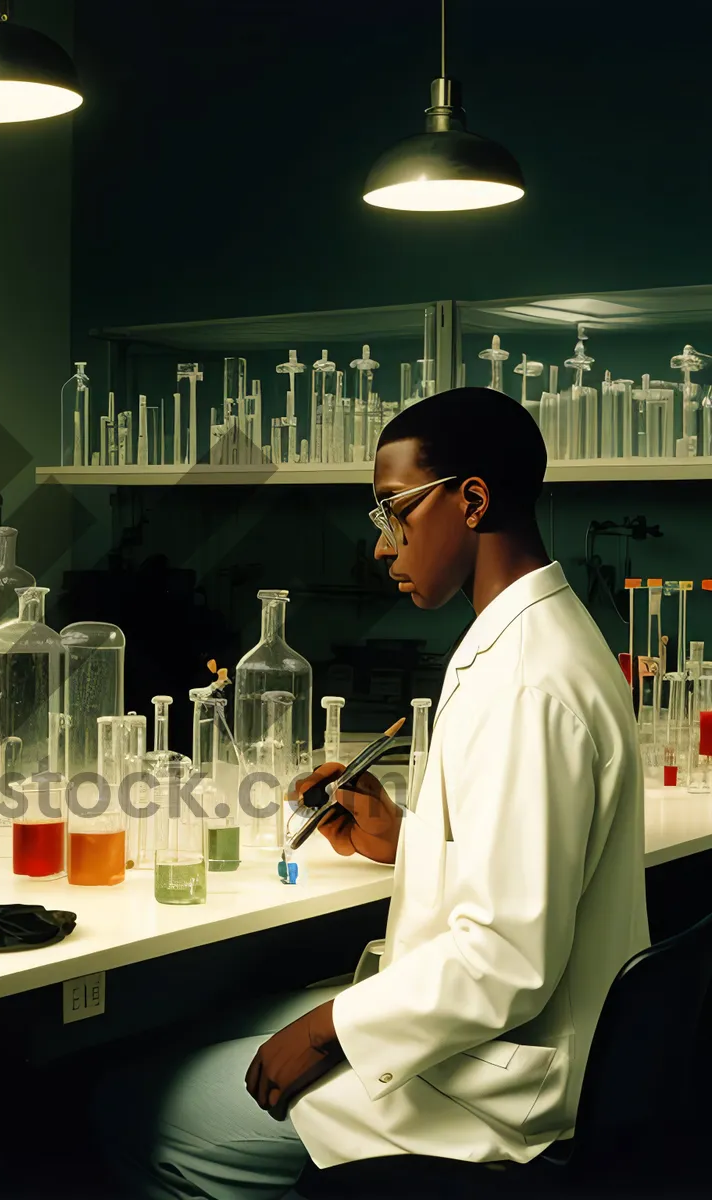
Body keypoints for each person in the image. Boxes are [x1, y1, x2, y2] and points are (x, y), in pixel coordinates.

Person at [95, 387, 648, 1198]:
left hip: (499, 1095)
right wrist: (407, 840)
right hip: (523, 1047)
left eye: (396, 512)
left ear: (472, 500)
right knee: (211, 1029)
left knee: (136, 1110)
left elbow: (507, 959)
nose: (384, 548)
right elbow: (524, 874)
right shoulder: (538, 634)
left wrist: (327, 1033)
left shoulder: (528, 681)